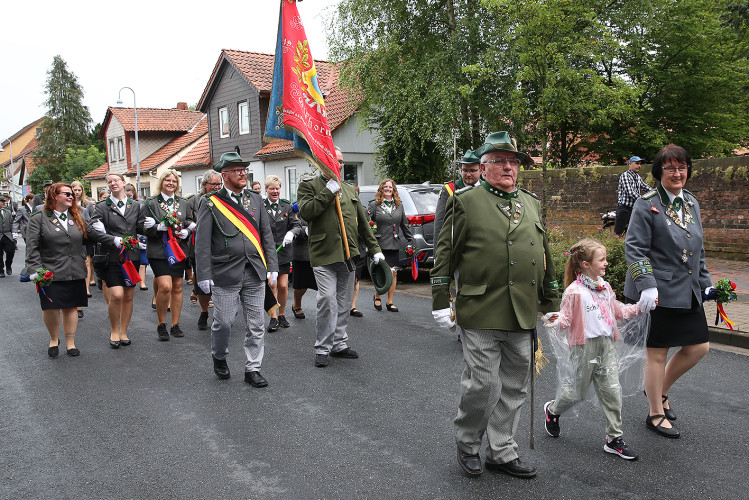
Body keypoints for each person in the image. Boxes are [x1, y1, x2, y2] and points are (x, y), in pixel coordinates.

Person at [431, 131, 559, 479]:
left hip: (522, 311)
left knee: (516, 385)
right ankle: (468, 443)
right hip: (481, 307)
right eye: (500, 161)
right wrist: (441, 298)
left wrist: (551, 299)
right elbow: (445, 253)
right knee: (483, 385)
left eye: (513, 161)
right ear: (483, 168)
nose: (508, 167)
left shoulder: (530, 202)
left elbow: (543, 256)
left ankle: (501, 450)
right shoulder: (465, 202)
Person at [624, 144, 713, 439]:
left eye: (682, 167)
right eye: (670, 168)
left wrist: (706, 282)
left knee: (698, 347)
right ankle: (655, 413)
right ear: (659, 172)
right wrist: (646, 286)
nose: (677, 173)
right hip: (658, 292)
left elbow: (698, 251)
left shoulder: (691, 203)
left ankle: (660, 391)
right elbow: (635, 249)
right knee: (657, 354)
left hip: (687, 291)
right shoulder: (647, 203)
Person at [543, 238, 648, 461]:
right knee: (575, 393)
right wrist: (556, 319)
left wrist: (641, 307)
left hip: (606, 345)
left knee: (612, 391)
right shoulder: (574, 292)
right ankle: (553, 410)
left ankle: (614, 438)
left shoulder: (604, 287)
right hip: (583, 348)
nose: (607, 263)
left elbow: (618, 312)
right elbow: (567, 319)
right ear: (585, 264)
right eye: (602, 259)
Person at [195, 152, 278, 387]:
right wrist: (203, 274)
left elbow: (266, 235)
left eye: (244, 169)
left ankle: (253, 367)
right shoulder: (211, 202)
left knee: (256, 324)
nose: (243, 173)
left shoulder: (255, 199)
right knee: (223, 322)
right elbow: (201, 243)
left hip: (254, 270)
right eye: (237, 170)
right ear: (224, 175)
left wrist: (272, 265)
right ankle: (219, 356)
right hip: (224, 272)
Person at [298, 147, 384, 368]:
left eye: (342, 161)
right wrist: (328, 192)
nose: (340, 165)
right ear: (323, 162)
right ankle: (322, 347)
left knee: (344, 302)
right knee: (327, 299)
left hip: (348, 254)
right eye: (335, 161)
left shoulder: (348, 190)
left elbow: (363, 224)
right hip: (323, 254)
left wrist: (376, 251)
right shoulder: (309, 186)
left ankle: (339, 343)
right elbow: (306, 212)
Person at [24, 183, 115, 357]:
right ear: (54, 196)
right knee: (50, 308)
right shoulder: (39, 218)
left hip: (75, 269)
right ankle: (53, 339)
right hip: (50, 272)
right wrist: (34, 269)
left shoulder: (77, 215)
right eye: (66, 193)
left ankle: (70, 343)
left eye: (72, 194)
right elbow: (32, 247)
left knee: (71, 307)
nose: (71, 196)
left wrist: (115, 240)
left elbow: (93, 236)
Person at [91, 173, 145, 348]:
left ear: (124, 183)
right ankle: (114, 329)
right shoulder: (101, 206)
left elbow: (140, 226)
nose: (113, 183)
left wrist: (151, 227)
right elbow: (93, 231)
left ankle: (123, 331)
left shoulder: (135, 205)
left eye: (116, 180)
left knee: (128, 295)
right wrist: (111, 239)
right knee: (116, 294)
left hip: (131, 256)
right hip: (111, 256)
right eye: (109, 182)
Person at [142, 170, 194, 341]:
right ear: (161, 182)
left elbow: (189, 221)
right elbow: (140, 226)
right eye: (167, 180)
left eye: (174, 181)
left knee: (177, 287)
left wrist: (187, 230)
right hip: (159, 251)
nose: (171, 183)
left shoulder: (183, 203)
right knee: (165, 286)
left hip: (178, 249)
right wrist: (156, 228)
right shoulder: (151, 203)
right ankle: (161, 323)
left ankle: (175, 324)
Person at [366, 179, 414, 312]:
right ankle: (377, 296)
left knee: (393, 273)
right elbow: (368, 225)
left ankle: (390, 302)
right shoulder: (374, 205)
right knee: (383, 272)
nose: (388, 189)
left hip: (394, 244)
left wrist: (411, 242)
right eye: (385, 187)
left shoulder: (399, 205)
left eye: (390, 187)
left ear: (394, 190)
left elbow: (405, 225)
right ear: (381, 189)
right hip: (379, 245)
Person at [263, 175, 302, 331]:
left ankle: (282, 314)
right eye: (272, 188)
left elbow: (297, 225)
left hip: (283, 251)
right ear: (266, 190)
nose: (275, 191)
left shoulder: (287, 206)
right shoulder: (260, 206)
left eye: (277, 188)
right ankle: (273, 317)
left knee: (283, 286)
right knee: (272, 284)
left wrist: (291, 233)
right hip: (268, 252)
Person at [189, 170, 222, 330]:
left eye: (219, 184)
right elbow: (186, 217)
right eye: (213, 184)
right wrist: (191, 225)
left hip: (219, 246)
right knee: (203, 282)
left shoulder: (224, 199)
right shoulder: (195, 200)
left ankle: (220, 313)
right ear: (204, 185)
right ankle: (204, 311)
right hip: (200, 244)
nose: (217, 187)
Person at [434, 150, 482, 240]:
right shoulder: (449, 190)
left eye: (472, 170)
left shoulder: (487, 188)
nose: (468, 174)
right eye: (465, 170)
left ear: (481, 170)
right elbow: (439, 226)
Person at [71, 181, 96, 303]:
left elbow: (91, 220)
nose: (76, 192)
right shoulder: (67, 203)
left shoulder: (87, 205)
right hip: (71, 238)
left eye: (78, 190)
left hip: (84, 237)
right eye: (74, 190)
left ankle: (86, 289)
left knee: (87, 262)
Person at [614, 156, 652, 235]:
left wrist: (656, 193)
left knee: (634, 232)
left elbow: (645, 187)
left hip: (633, 209)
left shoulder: (637, 177)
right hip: (624, 209)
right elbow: (631, 193)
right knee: (618, 233)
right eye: (637, 163)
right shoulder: (625, 176)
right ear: (630, 164)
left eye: (640, 164)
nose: (639, 166)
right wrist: (644, 200)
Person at [290, 207, 317, 319]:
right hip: (303, 252)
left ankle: (325, 309)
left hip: (320, 252)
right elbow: (294, 226)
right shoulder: (296, 208)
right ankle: (297, 304)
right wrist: (307, 230)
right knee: (301, 285)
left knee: (324, 285)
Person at [350, 183, 365, 317]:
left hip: (359, 249)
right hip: (345, 249)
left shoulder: (363, 210)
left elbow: (368, 230)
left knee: (356, 279)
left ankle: (352, 306)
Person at [0, 195, 17, 277]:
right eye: (2, 201)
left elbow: (12, 223)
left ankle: (8, 265)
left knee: (11, 251)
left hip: (7, 234)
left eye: (4, 201)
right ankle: (1, 270)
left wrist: (14, 233)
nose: (4, 203)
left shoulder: (8, 212)